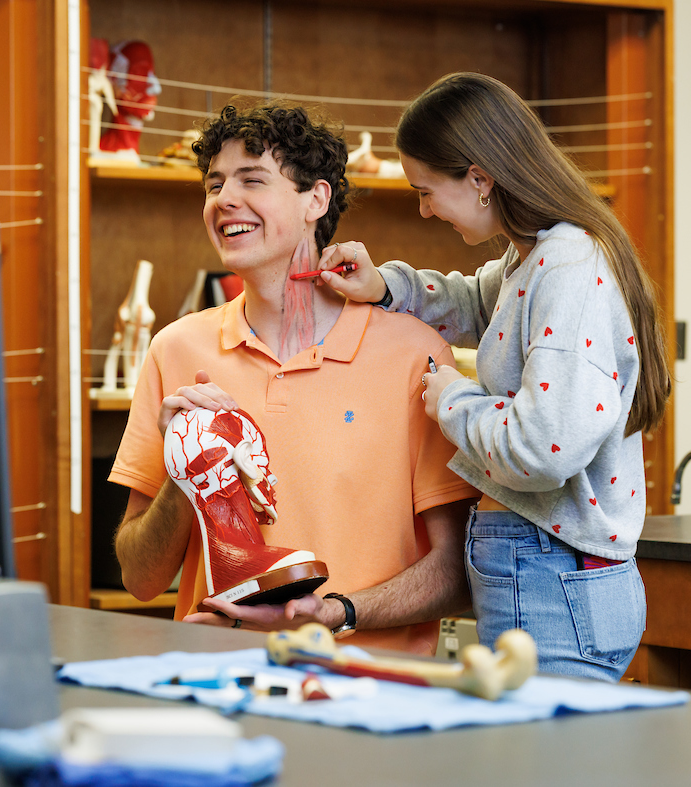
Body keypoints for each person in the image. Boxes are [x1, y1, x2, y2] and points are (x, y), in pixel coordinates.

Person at [316, 72, 672, 680]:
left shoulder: (566, 266)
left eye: (427, 191)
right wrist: (387, 285)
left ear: (479, 179)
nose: (424, 209)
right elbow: (477, 305)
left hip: (553, 578)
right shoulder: (532, 254)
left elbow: (543, 447)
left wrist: (452, 397)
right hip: (548, 575)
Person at [108, 102, 479, 655]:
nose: (223, 199)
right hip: (221, 683)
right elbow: (140, 579)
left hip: (371, 694)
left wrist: (333, 614)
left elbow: (455, 575)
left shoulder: (416, 355)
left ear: (316, 199)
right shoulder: (175, 350)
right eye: (213, 185)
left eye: (251, 179)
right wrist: (190, 472)